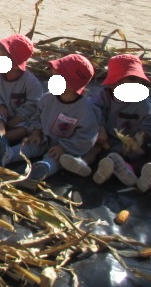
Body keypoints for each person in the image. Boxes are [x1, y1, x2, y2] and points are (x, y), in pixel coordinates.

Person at [0, 54, 100, 181]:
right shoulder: (48, 98)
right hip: (43, 138)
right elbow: (38, 116)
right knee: (29, 145)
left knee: (56, 159)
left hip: (64, 147)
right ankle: (7, 155)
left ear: (72, 84)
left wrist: (64, 148)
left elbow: (86, 137)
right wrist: (36, 132)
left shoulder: (85, 110)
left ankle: (44, 168)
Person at [62, 54, 151, 190]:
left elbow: (147, 122)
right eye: (130, 80)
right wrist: (100, 128)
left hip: (125, 144)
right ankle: (82, 164)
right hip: (103, 137)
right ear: (112, 84)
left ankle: (122, 173)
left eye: (137, 80)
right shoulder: (103, 96)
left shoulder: (143, 103)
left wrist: (141, 137)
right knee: (94, 148)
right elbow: (93, 112)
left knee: (128, 155)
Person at [0, 34, 43, 152]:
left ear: (16, 65)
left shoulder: (30, 82)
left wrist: (19, 117)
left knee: (23, 129)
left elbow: (34, 103)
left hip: (20, 118)